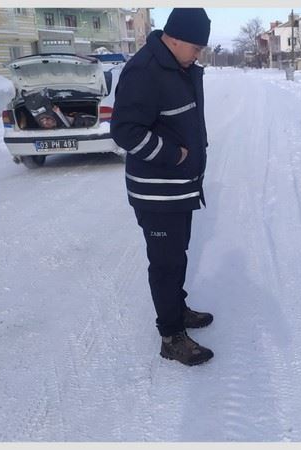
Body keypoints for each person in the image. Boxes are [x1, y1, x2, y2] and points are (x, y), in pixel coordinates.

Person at [110, 8, 214, 366]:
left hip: (179, 187)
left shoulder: (178, 67)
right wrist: (175, 155)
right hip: (157, 191)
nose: (198, 54)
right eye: (196, 47)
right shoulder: (145, 71)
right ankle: (171, 336)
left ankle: (177, 307)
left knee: (178, 255)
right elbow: (125, 131)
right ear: (175, 38)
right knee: (165, 263)